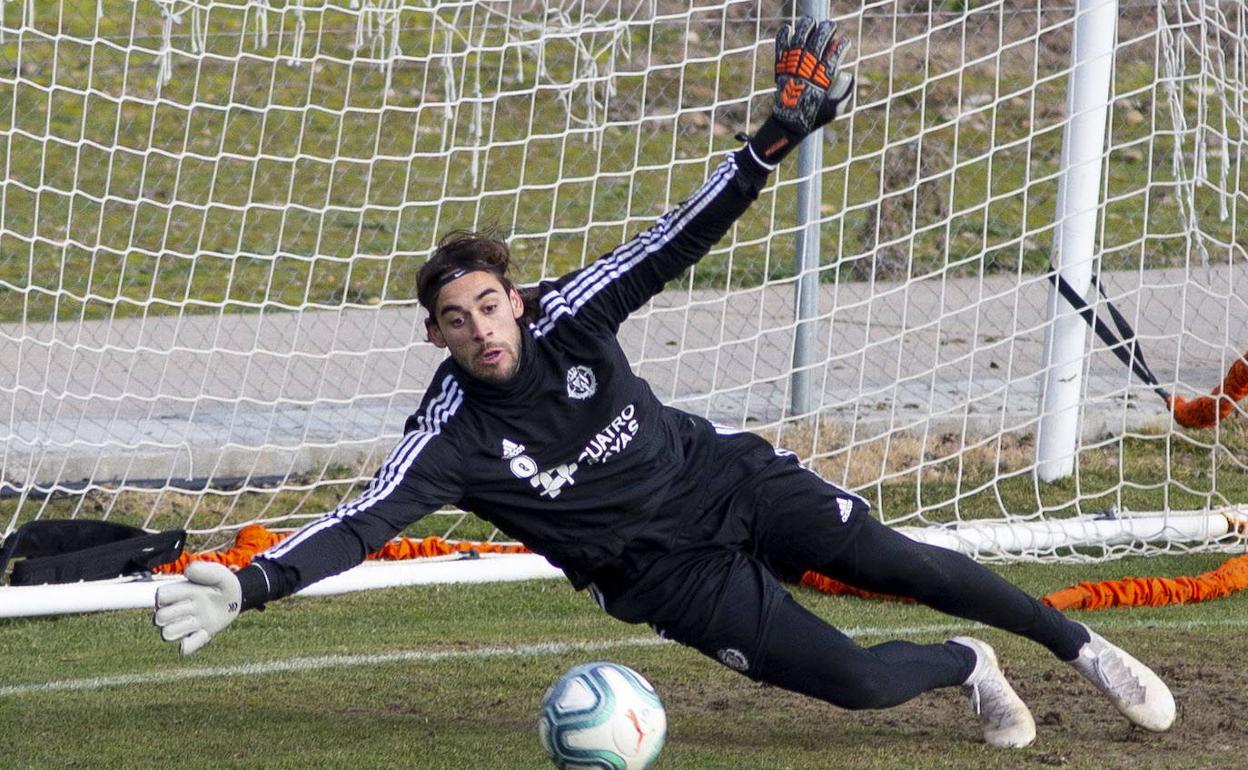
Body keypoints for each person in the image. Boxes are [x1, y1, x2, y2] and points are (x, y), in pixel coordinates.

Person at [153, 17, 1175, 749]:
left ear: (515, 298)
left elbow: (669, 241)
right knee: (859, 681)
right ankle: (964, 662)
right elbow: (364, 519)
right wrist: (253, 579)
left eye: (491, 304)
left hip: (723, 479)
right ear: (438, 334)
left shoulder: (569, 311)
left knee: (899, 556)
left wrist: (772, 141)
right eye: (457, 320)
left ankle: (1082, 647)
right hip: (665, 576)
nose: (482, 327)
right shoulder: (451, 432)